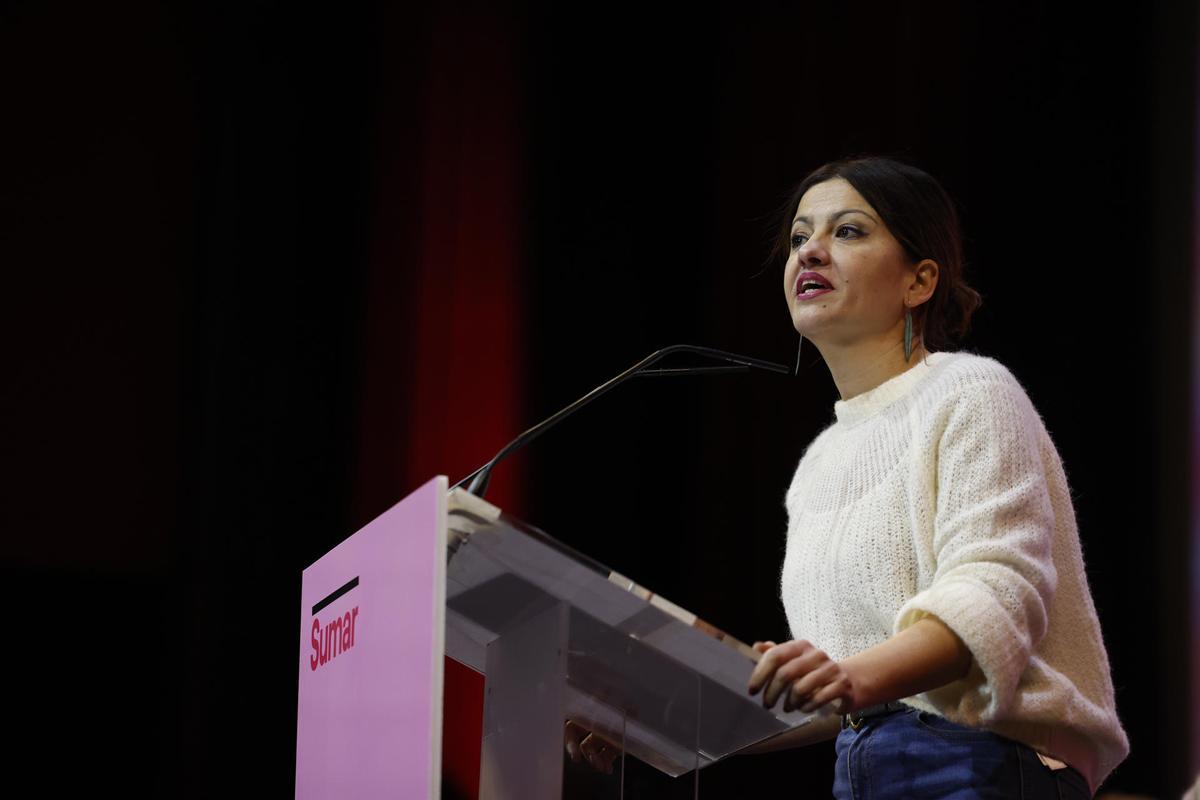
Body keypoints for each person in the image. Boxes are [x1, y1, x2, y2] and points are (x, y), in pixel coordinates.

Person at [744, 156, 1129, 798]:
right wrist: (659, 726)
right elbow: (833, 683)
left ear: (920, 281)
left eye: (848, 231)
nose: (810, 251)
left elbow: (995, 594)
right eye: (798, 236)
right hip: (862, 765)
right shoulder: (818, 463)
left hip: (981, 762)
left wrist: (847, 680)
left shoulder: (970, 391)